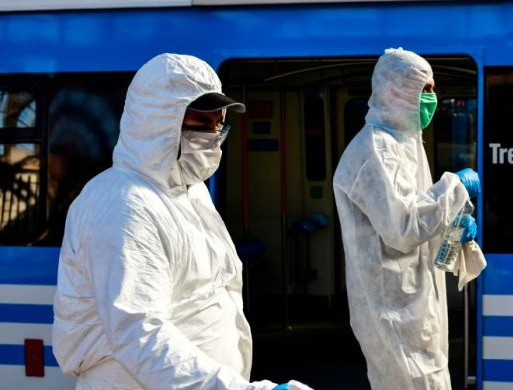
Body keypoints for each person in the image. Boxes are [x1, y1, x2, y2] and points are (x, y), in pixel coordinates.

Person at [52, 53, 311, 390]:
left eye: (219, 124)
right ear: (157, 121)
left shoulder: (188, 192)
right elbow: (141, 334)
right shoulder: (123, 205)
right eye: (202, 122)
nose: (214, 135)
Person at [332, 48, 481, 390]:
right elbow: (403, 227)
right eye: (425, 89)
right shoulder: (376, 150)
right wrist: (455, 186)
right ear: (395, 91)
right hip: (392, 310)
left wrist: (451, 227)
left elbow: (413, 211)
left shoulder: (404, 142)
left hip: (411, 302)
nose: (433, 98)